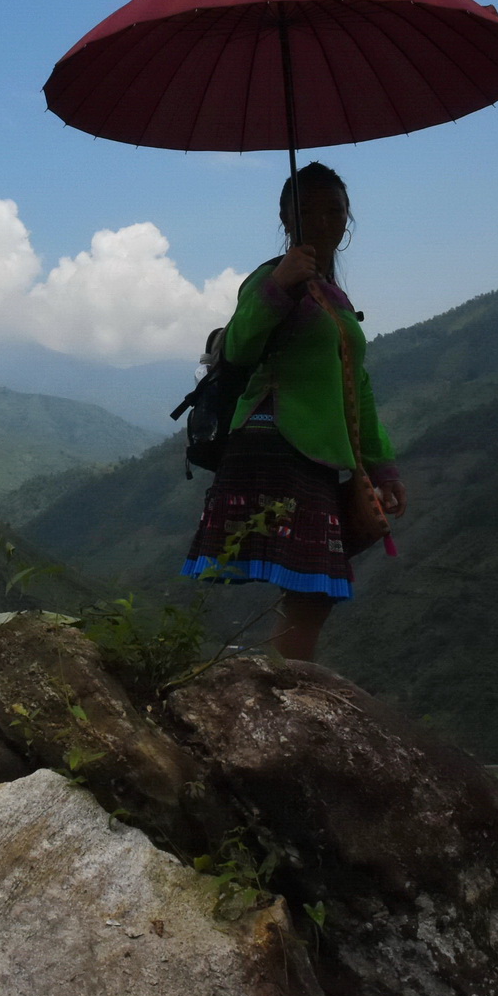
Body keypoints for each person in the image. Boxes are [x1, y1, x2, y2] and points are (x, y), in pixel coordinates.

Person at [181, 162, 406, 661]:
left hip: (318, 452)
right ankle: (284, 683)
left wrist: (380, 463)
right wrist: (278, 284)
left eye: (335, 209)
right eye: (308, 211)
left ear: (349, 219)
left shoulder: (334, 296)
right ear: (286, 218)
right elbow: (238, 347)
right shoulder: (270, 277)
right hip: (276, 441)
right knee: (314, 584)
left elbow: (356, 384)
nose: (324, 221)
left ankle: (274, 674)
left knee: (313, 586)